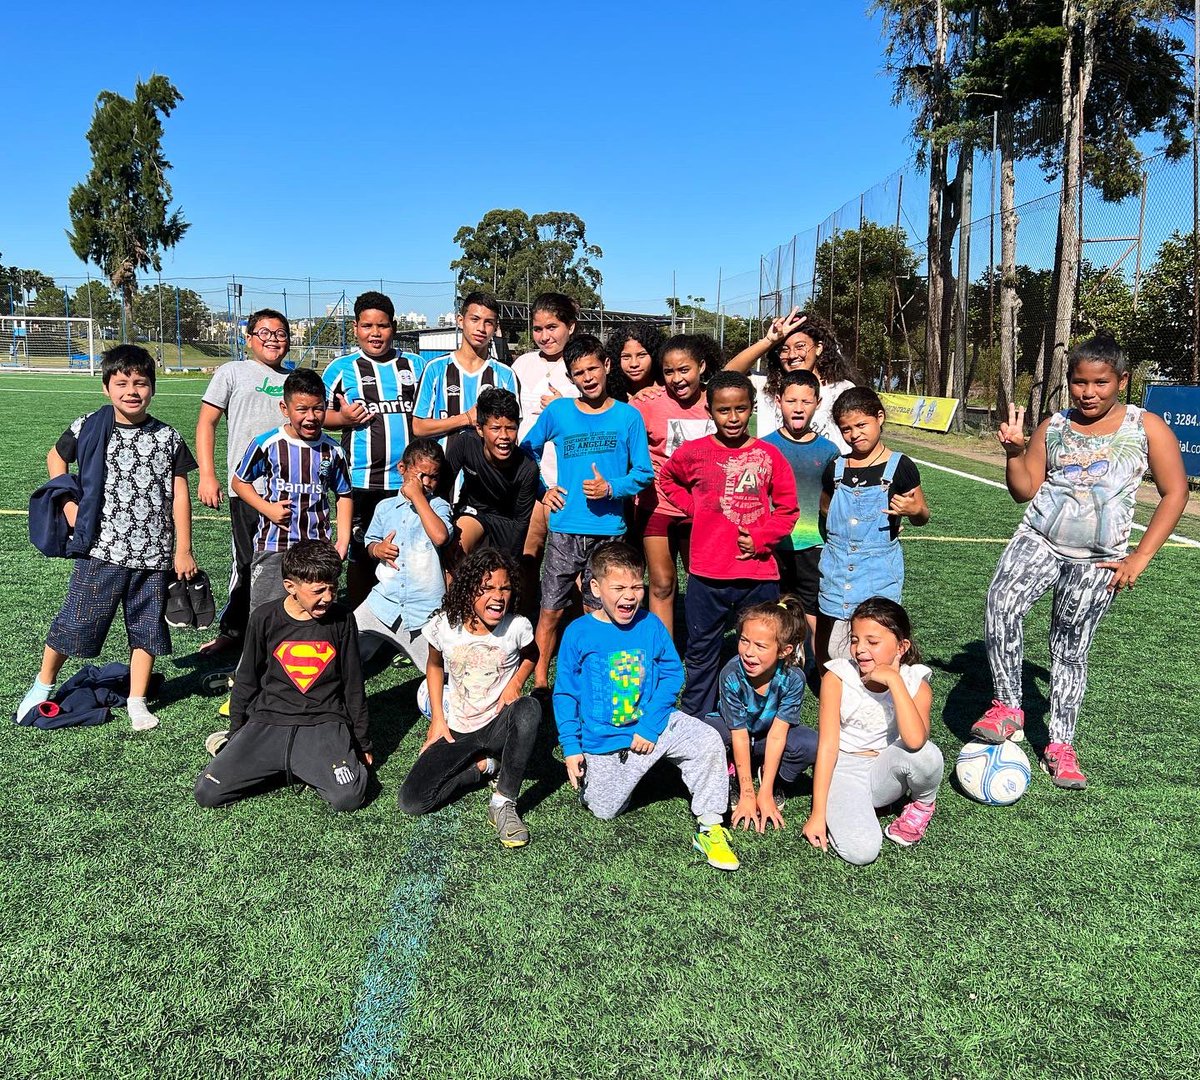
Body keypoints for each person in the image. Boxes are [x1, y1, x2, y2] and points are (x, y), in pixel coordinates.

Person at [973, 332, 1187, 789]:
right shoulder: (1054, 426)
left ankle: (1060, 745)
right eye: (1078, 382)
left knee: (1069, 647)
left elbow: (1176, 492)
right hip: (1040, 538)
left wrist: (1140, 557)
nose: (1088, 393)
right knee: (1001, 603)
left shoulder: (1145, 426)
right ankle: (1009, 705)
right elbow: (1024, 490)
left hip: (1100, 559)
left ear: (1121, 380)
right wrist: (1014, 451)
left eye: (1100, 383)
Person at [17, 345, 197, 731]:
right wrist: (69, 504)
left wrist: (183, 549)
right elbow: (56, 457)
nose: (132, 391)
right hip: (102, 549)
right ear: (106, 387)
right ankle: (42, 685)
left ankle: (137, 698)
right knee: (76, 621)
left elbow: (180, 493)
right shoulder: (89, 425)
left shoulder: (168, 437)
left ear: (152, 388)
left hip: (153, 553)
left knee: (147, 629)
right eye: (122, 383)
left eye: (141, 383)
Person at [553, 542, 741, 871]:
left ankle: (710, 826)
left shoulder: (651, 625)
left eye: (636, 586)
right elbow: (565, 693)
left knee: (707, 740)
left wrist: (650, 725)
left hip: (655, 725)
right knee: (604, 809)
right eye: (619, 587)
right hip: (606, 740)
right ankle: (609, 782)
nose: (629, 596)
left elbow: (672, 673)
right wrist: (571, 747)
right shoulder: (578, 633)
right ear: (596, 588)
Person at [659, 370, 799, 719]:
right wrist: (695, 510)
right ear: (710, 411)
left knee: (762, 653)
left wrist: (762, 537)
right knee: (702, 651)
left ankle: (757, 721)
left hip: (758, 575)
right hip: (707, 575)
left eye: (740, 409)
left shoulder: (770, 456)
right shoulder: (693, 453)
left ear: (752, 408)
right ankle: (695, 723)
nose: (732, 418)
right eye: (724, 410)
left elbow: (788, 509)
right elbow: (667, 478)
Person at [195, 541, 370, 812]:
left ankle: (297, 763)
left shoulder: (342, 618)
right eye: (318, 590)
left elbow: (353, 684)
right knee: (208, 793)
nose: (327, 597)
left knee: (348, 797)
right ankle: (283, 762)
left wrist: (362, 742)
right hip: (269, 718)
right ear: (291, 586)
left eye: (333, 588)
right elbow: (247, 678)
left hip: (323, 722)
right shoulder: (265, 617)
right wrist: (236, 732)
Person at [520, 335, 654, 689]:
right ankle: (540, 679)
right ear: (571, 378)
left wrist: (611, 487)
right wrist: (543, 491)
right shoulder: (559, 412)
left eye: (593, 368)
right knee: (550, 607)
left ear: (607, 365)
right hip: (565, 528)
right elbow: (525, 451)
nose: (588, 377)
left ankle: (595, 673)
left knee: (600, 611)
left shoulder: (628, 417)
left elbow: (643, 472)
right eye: (578, 373)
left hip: (609, 530)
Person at [398, 548, 540, 849]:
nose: (498, 596)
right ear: (467, 590)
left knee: (529, 708)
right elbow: (434, 665)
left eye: (505, 587)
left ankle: (503, 802)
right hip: (459, 727)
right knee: (413, 800)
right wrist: (438, 718)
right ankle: (485, 767)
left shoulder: (517, 627)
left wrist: (516, 684)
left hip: (498, 724)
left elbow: (532, 656)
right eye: (487, 588)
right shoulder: (444, 626)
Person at [802, 597, 941, 864]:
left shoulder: (916, 683)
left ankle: (922, 805)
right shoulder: (838, 678)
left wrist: (894, 681)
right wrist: (817, 813)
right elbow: (828, 746)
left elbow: (914, 741)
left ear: (902, 646)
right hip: (845, 769)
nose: (860, 649)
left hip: (887, 770)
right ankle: (851, 809)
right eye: (855, 640)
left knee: (927, 753)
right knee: (861, 853)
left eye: (872, 642)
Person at [194, 308, 290, 656]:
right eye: (264, 332)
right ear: (249, 338)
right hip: (247, 489)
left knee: (286, 563)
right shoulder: (232, 372)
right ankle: (234, 633)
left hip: (290, 490)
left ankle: (282, 629)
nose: (273, 339)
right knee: (247, 563)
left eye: (280, 333)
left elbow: (316, 418)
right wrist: (208, 474)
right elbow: (207, 423)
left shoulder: (292, 380)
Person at [322, 291, 427, 609]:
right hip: (360, 480)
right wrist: (342, 417)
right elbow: (316, 414)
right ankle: (358, 622)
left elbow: (428, 415)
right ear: (356, 327)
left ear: (393, 327)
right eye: (367, 325)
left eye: (382, 325)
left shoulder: (416, 365)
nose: (375, 332)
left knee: (406, 553)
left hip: (407, 483)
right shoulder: (341, 368)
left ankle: (401, 624)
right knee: (360, 553)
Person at [817, 386, 928, 664]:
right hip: (838, 571)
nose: (854, 434)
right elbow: (825, 508)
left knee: (878, 644)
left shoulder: (900, 466)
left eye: (861, 424)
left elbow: (921, 514)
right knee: (839, 648)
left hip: (878, 573)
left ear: (879, 417)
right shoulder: (836, 468)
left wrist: (914, 510)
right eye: (846, 429)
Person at [232, 367, 352, 613]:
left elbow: (344, 495)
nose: (311, 417)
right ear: (285, 409)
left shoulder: (333, 451)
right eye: (302, 409)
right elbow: (239, 482)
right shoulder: (267, 444)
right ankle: (261, 653)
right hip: (274, 544)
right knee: (265, 612)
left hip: (316, 546)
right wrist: (267, 508)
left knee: (316, 612)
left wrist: (343, 540)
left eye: (318, 408)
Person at [704, 596, 818, 832]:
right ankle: (731, 772)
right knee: (708, 734)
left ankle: (772, 778)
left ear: (784, 651)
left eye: (760, 646)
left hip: (767, 739)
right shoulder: (731, 673)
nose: (748, 652)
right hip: (735, 733)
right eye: (744, 641)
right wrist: (748, 793)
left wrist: (764, 792)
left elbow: (778, 735)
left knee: (811, 744)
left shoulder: (793, 679)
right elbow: (739, 733)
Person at [630, 333, 717, 637]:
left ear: (701, 367)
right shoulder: (648, 403)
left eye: (684, 370)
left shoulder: (716, 400)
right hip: (658, 505)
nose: (677, 379)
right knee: (662, 582)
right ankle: (664, 652)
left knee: (701, 579)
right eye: (669, 371)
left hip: (702, 509)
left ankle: (700, 648)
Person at [761, 369, 841, 667]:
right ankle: (775, 664)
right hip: (773, 545)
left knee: (813, 611)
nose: (798, 407)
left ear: (817, 403)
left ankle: (821, 669)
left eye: (805, 401)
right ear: (778, 401)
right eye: (791, 400)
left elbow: (831, 501)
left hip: (813, 545)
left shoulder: (830, 451)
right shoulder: (764, 446)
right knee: (774, 609)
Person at [355, 438, 451, 676]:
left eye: (434, 477)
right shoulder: (385, 508)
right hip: (383, 603)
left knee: (443, 671)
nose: (427, 483)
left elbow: (440, 537)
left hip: (425, 612)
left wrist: (418, 497)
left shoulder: (438, 506)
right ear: (402, 469)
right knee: (344, 646)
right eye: (421, 476)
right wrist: (377, 549)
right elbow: (370, 541)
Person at [512, 293, 579, 583]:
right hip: (528, 478)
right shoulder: (521, 365)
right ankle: (527, 621)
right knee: (527, 555)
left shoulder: (584, 365)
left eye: (552, 327)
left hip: (569, 481)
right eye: (538, 329)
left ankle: (577, 624)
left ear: (571, 327)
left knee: (575, 562)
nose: (544, 336)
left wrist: (562, 407)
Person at [725, 308, 858, 450]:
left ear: (819, 348)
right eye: (784, 349)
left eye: (800, 346)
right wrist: (769, 341)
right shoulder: (768, 386)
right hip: (773, 471)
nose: (792, 355)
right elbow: (727, 376)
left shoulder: (841, 390)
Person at [442, 388, 538, 563]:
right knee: (454, 551)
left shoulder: (528, 468)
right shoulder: (465, 444)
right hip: (473, 512)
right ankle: (453, 591)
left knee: (501, 570)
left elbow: (521, 523)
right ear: (479, 428)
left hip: (507, 522)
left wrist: (510, 564)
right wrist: (445, 527)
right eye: (495, 428)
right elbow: (442, 488)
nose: (504, 436)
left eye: (511, 428)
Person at [412, 292, 519, 442]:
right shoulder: (435, 368)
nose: (481, 328)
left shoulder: (505, 374)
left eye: (488, 322)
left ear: (495, 327)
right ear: (460, 321)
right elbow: (418, 427)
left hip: (487, 465)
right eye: (475, 319)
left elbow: (512, 429)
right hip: (446, 464)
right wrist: (466, 418)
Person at [605, 322, 665, 402]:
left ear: (655, 355)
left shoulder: (667, 388)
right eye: (626, 357)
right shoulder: (607, 392)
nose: (634, 364)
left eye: (641, 355)